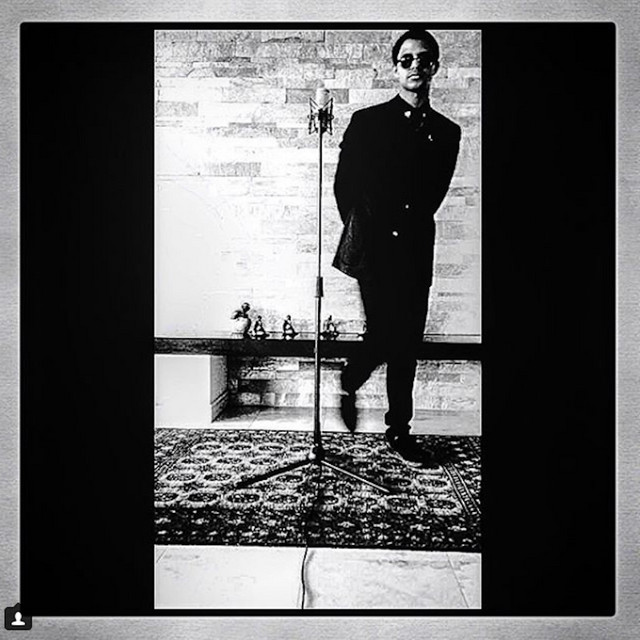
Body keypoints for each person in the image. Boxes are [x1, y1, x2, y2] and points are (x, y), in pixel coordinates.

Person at [332, 28, 461, 463]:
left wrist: (405, 230)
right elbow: (345, 188)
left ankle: (399, 432)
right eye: (407, 60)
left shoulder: (447, 131)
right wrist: (368, 232)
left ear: (435, 67)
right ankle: (352, 377)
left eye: (424, 59)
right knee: (386, 334)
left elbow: (434, 194)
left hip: (415, 249)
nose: (415, 67)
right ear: (395, 69)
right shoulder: (367, 122)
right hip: (373, 248)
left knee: (407, 343)